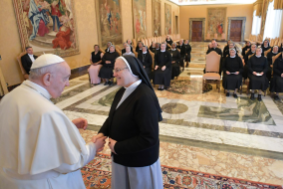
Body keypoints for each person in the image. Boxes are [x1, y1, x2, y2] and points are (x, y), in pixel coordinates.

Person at [0, 54, 106, 189]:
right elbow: (70, 162)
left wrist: (64, 126)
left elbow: (24, 133)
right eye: (65, 78)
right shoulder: (47, 112)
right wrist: (93, 147)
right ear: (48, 78)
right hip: (41, 184)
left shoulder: (10, 97)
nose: (67, 84)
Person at [92, 55, 163, 189]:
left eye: (118, 70)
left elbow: (149, 138)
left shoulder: (144, 97)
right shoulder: (122, 91)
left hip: (138, 161)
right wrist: (102, 133)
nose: (114, 74)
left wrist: (118, 147)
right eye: (114, 70)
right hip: (123, 157)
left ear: (132, 70)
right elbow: (113, 117)